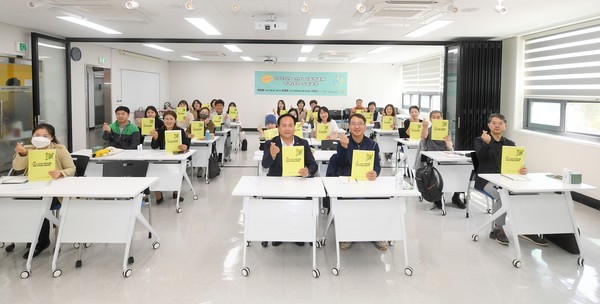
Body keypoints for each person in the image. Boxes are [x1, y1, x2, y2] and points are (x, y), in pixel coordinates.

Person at [474, 113, 548, 247]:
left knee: (531, 195)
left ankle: (526, 229)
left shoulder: (510, 144)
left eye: (500, 123)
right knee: (503, 196)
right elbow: (481, 157)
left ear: (505, 126)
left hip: (507, 180)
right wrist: (486, 143)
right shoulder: (480, 140)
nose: (497, 125)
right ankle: (498, 228)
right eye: (494, 123)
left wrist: (522, 168)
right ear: (489, 125)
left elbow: (516, 163)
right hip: (485, 180)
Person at [12, 123, 76, 259]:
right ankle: (30, 236)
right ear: (32, 136)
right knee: (20, 203)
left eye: (45, 136)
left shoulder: (59, 149)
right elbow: (17, 167)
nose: (40, 138)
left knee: (37, 204)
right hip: (31, 188)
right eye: (37, 135)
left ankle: (42, 241)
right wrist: (22, 154)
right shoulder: (27, 149)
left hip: (53, 191)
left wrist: (60, 173)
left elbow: (72, 168)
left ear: (52, 137)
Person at [261, 114, 318, 247]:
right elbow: (264, 165)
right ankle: (278, 234)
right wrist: (273, 155)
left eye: (290, 125)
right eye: (284, 125)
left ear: (295, 127)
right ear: (278, 127)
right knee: (278, 209)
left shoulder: (303, 143)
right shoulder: (271, 143)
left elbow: (313, 164)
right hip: (277, 184)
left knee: (300, 207)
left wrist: (308, 171)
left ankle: (298, 234)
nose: (287, 129)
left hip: (298, 183)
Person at [332, 114, 385, 251]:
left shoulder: (373, 144)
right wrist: (343, 148)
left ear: (365, 125)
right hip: (348, 180)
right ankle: (349, 233)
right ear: (349, 126)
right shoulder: (343, 141)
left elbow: (377, 165)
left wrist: (376, 172)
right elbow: (339, 164)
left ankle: (376, 233)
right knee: (357, 199)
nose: (356, 126)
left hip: (367, 180)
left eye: (360, 123)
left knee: (382, 200)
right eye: (353, 123)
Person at [419, 110, 465, 210]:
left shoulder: (446, 130)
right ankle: (438, 197)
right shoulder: (428, 129)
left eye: (438, 117)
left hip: (446, 157)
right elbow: (423, 136)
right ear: (430, 119)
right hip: (432, 158)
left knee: (462, 170)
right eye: (434, 117)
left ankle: (456, 196)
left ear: (442, 118)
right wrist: (425, 126)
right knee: (436, 174)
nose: (436, 119)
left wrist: (448, 142)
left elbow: (450, 147)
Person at [150, 110, 191, 204]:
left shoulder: (180, 130)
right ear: (163, 120)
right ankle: (158, 193)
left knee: (178, 170)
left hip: (176, 158)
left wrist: (184, 147)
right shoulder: (159, 131)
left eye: (171, 119)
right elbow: (154, 147)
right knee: (154, 169)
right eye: (166, 119)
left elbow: (186, 145)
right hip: (163, 158)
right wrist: (155, 138)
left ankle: (176, 191)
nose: (168, 121)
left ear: (175, 120)